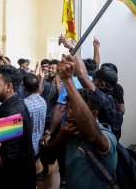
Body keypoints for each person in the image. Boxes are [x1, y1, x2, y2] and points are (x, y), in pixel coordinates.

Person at [41, 54, 118, 189]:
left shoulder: (105, 135)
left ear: (93, 114)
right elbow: (47, 159)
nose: (69, 115)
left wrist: (68, 79)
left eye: (75, 110)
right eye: (69, 109)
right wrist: (60, 137)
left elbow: (93, 136)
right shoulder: (70, 132)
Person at [0, 65, 36, 188]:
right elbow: (0, 142)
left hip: (17, 180)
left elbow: (7, 162)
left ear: (9, 86)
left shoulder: (11, 112)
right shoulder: (11, 103)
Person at [22, 74, 47, 156]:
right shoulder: (42, 101)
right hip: (38, 144)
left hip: (27, 146)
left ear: (24, 88)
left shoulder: (24, 105)